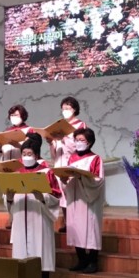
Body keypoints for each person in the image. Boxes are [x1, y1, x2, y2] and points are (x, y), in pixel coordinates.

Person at [5, 139, 61, 278]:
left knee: (40, 253)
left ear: (36, 155)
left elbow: (56, 196)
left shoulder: (46, 173)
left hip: (39, 219)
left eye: (29, 154)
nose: (26, 156)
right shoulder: (16, 174)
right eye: (24, 154)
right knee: (21, 256)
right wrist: (9, 197)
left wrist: (42, 196)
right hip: (20, 219)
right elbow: (10, 201)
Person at [60, 128, 105, 274]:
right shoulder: (72, 158)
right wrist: (64, 180)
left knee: (91, 229)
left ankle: (92, 261)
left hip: (89, 200)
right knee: (76, 228)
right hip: (74, 198)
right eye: (76, 140)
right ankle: (82, 260)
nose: (78, 142)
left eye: (82, 140)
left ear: (89, 142)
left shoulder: (95, 159)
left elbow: (98, 181)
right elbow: (68, 179)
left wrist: (82, 177)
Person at [47, 96, 87, 232]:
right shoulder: (60, 126)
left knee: (72, 192)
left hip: (73, 162)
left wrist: (64, 138)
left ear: (74, 109)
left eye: (68, 108)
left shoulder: (80, 125)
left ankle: (76, 220)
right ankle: (66, 221)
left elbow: (79, 146)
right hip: (59, 162)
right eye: (63, 108)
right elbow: (56, 151)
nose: (65, 110)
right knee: (62, 194)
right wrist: (51, 142)